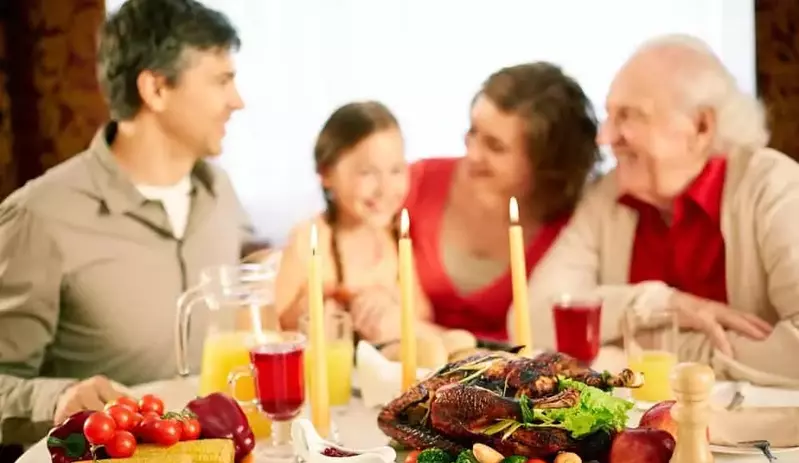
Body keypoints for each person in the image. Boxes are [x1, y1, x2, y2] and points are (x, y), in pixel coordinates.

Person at [0, 0, 253, 445]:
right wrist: (56, 399)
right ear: (155, 89)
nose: (238, 101)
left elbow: (249, 273)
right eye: (221, 81)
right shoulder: (39, 217)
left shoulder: (221, 192)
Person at [523, 34, 799, 386]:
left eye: (628, 116)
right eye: (609, 114)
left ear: (700, 127)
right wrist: (659, 305)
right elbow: (532, 316)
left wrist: (646, 348)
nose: (604, 137)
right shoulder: (610, 195)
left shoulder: (774, 188)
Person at [353, 63, 600, 343]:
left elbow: (541, 347)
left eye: (495, 146)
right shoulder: (417, 183)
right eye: (473, 132)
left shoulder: (574, 229)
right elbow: (345, 241)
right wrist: (377, 292)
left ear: (545, 163)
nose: (472, 154)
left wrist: (420, 332)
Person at [275, 101, 431, 342]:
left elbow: (422, 316)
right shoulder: (308, 240)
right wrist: (303, 315)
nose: (385, 189)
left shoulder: (396, 237)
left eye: (396, 170)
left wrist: (392, 308)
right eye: (367, 173)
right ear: (326, 174)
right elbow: (266, 326)